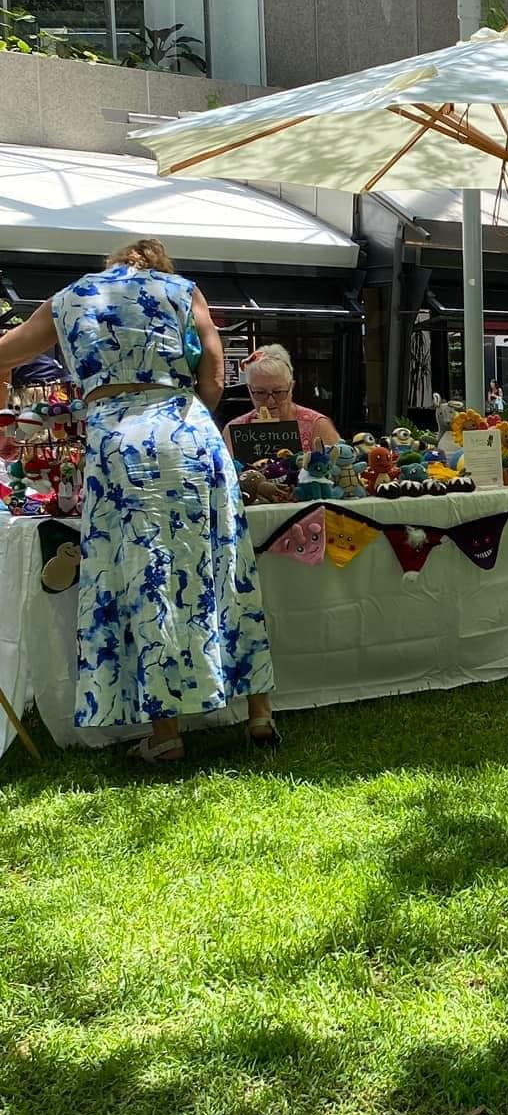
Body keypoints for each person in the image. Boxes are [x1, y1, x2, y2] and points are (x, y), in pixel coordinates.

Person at [0, 238, 278, 763]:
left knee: (145, 571)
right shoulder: (182, 290)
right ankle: (259, 711)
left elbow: (6, 351)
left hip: (120, 438)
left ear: (112, 265)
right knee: (223, 564)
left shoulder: (71, 297)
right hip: (188, 430)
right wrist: (187, 416)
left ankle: (165, 733)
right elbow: (214, 375)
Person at [224, 343, 340, 457]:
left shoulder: (317, 426)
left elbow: (340, 469)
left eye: (278, 392)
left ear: (291, 388)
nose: (270, 401)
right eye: (260, 393)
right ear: (249, 390)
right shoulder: (233, 431)